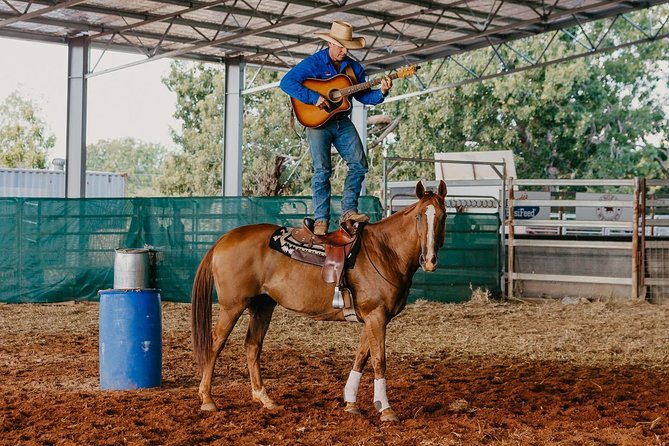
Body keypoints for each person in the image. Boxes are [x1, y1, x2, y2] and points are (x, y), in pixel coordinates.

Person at [280, 20, 393, 235]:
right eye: (340, 46)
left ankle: (349, 211)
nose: (344, 51)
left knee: (359, 164)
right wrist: (314, 98)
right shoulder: (314, 62)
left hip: (341, 121)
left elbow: (363, 95)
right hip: (316, 123)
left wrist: (382, 92)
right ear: (330, 43)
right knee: (322, 170)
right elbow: (287, 83)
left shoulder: (354, 68)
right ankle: (321, 220)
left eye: (347, 47)